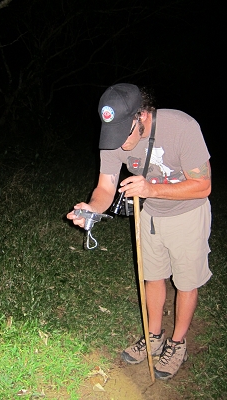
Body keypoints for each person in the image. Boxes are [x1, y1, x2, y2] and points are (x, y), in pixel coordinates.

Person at [67, 83, 212, 380]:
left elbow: (203, 186)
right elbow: (106, 186)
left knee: (185, 282)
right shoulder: (114, 137)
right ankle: (154, 336)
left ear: (141, 116)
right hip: (151, 216)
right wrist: (92, 210)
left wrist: (152, 188)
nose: (119, 143)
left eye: (124, 133)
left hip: (188, 213)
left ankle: (177, 342)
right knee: (153, 276)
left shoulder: (182, 127)